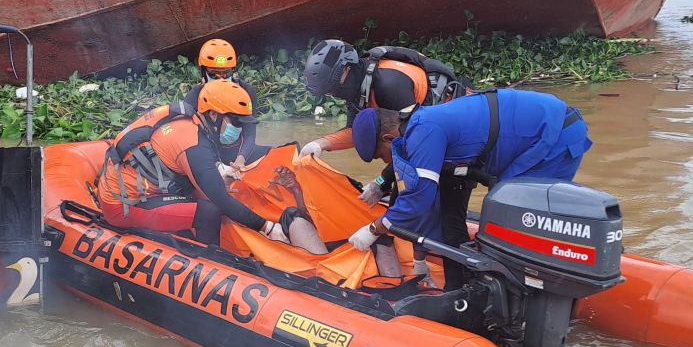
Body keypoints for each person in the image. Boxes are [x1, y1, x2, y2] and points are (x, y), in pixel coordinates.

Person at [347, 89, 591, 288]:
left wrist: (373, 230)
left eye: (382, 156)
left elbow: (418, 201)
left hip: (555, 137)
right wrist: (419, 259)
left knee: (522, 224)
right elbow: (423, 200)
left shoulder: (424, 131)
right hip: (535, 137)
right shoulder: (417, 124)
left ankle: (534, 293)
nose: (386, 162)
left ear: (389, 139)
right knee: (500, 214)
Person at [96, 79, 292, 246]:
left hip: (138, 187)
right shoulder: (194, 145)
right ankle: (213, 265)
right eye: (236, 123)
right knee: (210, 211)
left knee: (210, 197)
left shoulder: (193, 123)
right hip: (124, 205)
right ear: (214, 115)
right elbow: (220, 199)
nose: (239, 129)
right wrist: (267, 228)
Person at [300, 39, 469, 205]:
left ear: (346, 71)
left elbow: (413, 141)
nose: (334, 95)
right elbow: (354, 131)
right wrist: (319, 144)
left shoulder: (388, 86)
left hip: (461, 127)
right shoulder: (358, 89)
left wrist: (382, 182)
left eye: (331, 91)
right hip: (431, 133)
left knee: (438, 205)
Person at [181, 38, 268, 165]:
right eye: (214, 74)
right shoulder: (194, 96)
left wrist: (240, 160)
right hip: (207, 154)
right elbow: (188, 140)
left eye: (226, 73)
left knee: (279, 155)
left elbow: (249, 134)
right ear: (203, 71)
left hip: (237, 152)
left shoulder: (246, 92)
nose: (220, 78)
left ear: (233, 70)